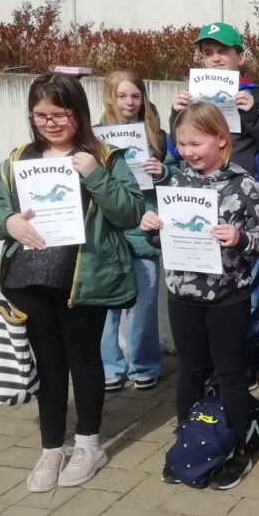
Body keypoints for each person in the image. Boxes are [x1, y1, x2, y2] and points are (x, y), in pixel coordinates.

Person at [0, 73, 145, 492]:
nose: (50, 123)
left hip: (84, 278)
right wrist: (9, 222)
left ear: (79, 112)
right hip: (29, 279)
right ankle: (52, 447)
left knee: (84, 359)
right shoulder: (17, 159)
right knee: (49, 364)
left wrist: (95, 175)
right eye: (41, 115)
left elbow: (130, 213)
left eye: (60, 114)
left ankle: (89, 444)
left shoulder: (106, 157)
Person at [143, 102, 259, 490]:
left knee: (230, 376)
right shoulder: (176, 183)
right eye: (181, 144)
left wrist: (241, 238)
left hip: (227, 296)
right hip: (182, 293)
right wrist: (150, 229)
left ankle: (237, 451)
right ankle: (189, 441)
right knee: (190, 372)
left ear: (220, 139)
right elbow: (163, 239)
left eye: (195, 143)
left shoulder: (244, 184)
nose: (187, 152)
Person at [169, 22, 259, 386]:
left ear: (240, 56)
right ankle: (205, 366)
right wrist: (177, 114)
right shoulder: (193, 98)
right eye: (207, 52)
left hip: (241, 203)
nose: (215, 58)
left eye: (223, 51)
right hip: (197, 202)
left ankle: (243, 361)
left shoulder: (258, 96)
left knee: (245, 286)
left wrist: (251, 114)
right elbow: (174, 153)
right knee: (198, 282)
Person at [98, 71, 175, 393]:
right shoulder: (95, 137)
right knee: (106, 308)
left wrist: (163, 170)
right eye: (122, 96)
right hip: (110, 232)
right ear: (110, 98)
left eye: (135, 95)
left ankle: (143, 365)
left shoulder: (157, 134)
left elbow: (178, 172)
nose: (129, 102)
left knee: (143, 305)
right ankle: (109, 366)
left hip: (146, 229)